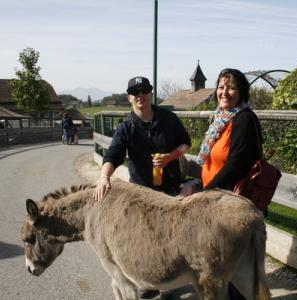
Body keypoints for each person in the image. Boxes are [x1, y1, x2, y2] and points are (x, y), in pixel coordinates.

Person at [92, 76, 191, 299]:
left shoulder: (168, 118)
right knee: (146, 238)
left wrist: (169, 157)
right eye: (135, 92)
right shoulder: (126, 127)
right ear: (129, 97)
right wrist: (103, 177)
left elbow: (186, 143)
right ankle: (152, 281)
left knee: (170, 237)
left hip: (169, 190)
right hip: (142, 194)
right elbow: (113, 154)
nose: (140, 95)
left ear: (150, 95)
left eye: (144, 91)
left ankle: (170, 280)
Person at [197, 68, 263, 300]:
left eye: (232, 87)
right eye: (221, 87)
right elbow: (211, 159)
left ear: (241, 91)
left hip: (231, 203)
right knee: (221, 261)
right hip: (216, 198)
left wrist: (206, 193)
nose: (225, 92)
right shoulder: (220, 117)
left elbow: (236, 164)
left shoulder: (244, 119)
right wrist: (199, 184)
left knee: (233, 266)